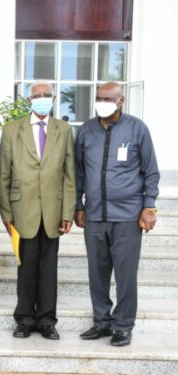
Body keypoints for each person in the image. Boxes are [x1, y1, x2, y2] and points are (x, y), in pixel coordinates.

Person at [75, 82, 159, 347]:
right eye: (98, 98)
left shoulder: (137, 129)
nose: (101, 102)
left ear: (120, 101)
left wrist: (149, 206)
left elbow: (151, 171)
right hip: (95, 215)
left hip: (127, 215)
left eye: (107, 98)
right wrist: (78, 205)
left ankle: (123, 325)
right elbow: (78, 172)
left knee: (125, 274)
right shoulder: (86, 131)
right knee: (97, 272)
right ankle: (102, 321)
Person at [0, 80, 75, 340]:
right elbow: (4, 175)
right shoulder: (12, 130)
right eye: (37, 95)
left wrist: (68, 212)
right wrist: (6, 214)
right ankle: (24, 319)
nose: (42, 98)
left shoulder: (63, 130)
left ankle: (47, 321)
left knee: (49, 268)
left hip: (53, 210)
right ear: (29, 100)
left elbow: (69, 174)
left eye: (47, 95)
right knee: (26, 267)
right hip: (23, 211)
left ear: (53, 99)